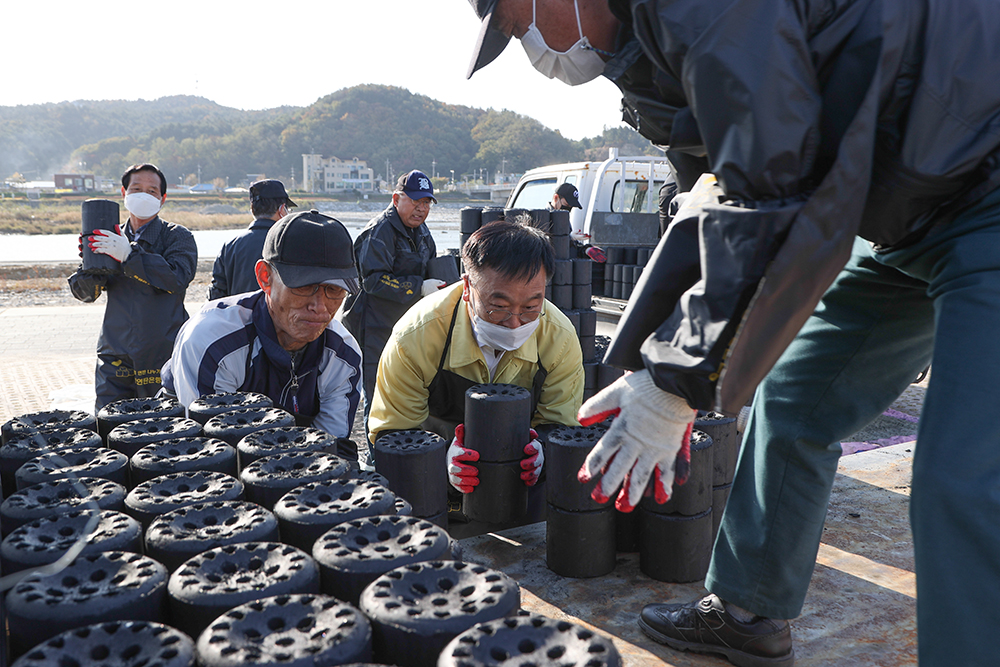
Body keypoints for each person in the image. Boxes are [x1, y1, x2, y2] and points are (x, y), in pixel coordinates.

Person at [465, 1, 1000, 666]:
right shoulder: (650, 53)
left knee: (965, 482)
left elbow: (768, 183)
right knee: (795, 400)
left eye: (518, 25)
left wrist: (679, 381)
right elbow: (710, 207)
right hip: (906, 213)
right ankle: (749, 610)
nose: (532, 50)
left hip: (984, 186)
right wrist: (645, 366)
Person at [369, 218, 584, 532]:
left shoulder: (560, 338)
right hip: (432, 486)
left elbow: (562, 425)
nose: (514, 324)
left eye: (530, 307)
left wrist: (544, 453)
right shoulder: (417, 335)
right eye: (498, 306)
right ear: (467, 287)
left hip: (519, 486)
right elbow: (391, 433)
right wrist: (440, 460)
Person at [162, 210, 363, 458]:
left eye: (334, 290)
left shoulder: (344, 356)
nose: (319, 307)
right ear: (265, 277)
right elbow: (215, 453)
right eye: (304, 287)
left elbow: (329, 448)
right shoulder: (212, 343)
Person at [69, 163, 197, 412]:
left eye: (152, 191)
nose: (144, 195)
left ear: (163, 198)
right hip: (115, 351)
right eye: (137, 189)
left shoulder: (177, 237)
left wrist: (130, 255)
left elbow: (177, 278)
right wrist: (92, 263)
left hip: (163, 352)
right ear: (124, 193)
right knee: (110, 424)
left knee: (164, 426)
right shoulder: (110, 238)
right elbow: (84, 293)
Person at [341, 169, 445, 436]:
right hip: (374, 327)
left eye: (426, 203)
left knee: (410, 389)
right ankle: (376, 456)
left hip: (407, 326)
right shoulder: (379, 232)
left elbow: (430, 264)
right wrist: (418, 287)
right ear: (397, 198)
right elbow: (372, 280)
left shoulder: (422, 233)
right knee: (377, 395)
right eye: (415, 201)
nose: (421, 209)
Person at [208, 179, 296, 299]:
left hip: (237, 316)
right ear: (281, 210)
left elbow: (216, 295)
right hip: (278, 317)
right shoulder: (290, 244)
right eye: (288, 210)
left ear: (252, 209)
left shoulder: (230, 246)